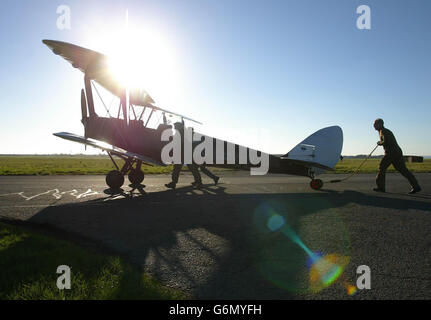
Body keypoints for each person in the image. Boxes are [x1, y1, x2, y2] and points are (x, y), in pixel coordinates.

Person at [373, 118, 421, 194]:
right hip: (397, 152)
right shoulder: (382, 131)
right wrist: (381, 142)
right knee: (402, 169)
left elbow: (387, 141)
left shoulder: (384, 131)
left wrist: (380, 143)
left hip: (391, 153)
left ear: (380, 124)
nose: (374, 126)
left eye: (375, 124)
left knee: (381, 167)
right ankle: (416, 186)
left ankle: (381, 187)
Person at [165, 121, 202, 189]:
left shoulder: (182, 133)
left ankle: (199, 182)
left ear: (179, 126)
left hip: (185, 153)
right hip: (180, 154)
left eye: (175, 126)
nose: (174, 127)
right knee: (176, 169)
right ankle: (173, 183)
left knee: (192, 168)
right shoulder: (179, 133)